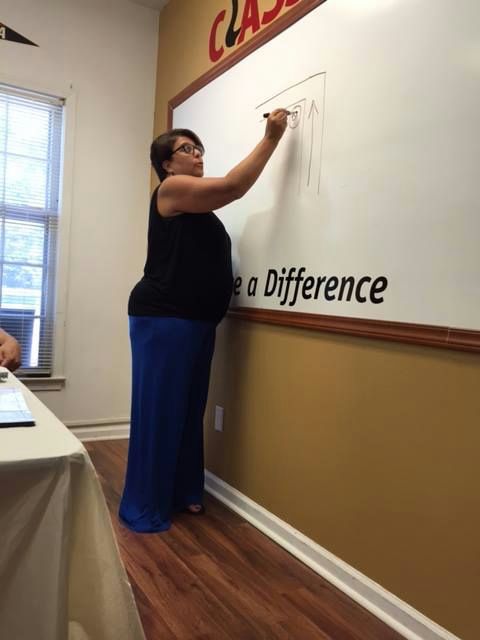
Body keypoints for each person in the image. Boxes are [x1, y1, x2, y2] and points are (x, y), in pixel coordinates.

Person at [119, 109, 289, 532]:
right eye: (186, 149)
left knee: (188, 408)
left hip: (196, 322)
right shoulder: (173, 190)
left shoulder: (196, 207)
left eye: (199, 149)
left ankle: (183, 491)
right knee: (160, 411)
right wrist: (272, 137)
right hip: (163, 319)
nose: (197, 156)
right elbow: (233, 185)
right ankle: (146, 503)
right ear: (166, 164)